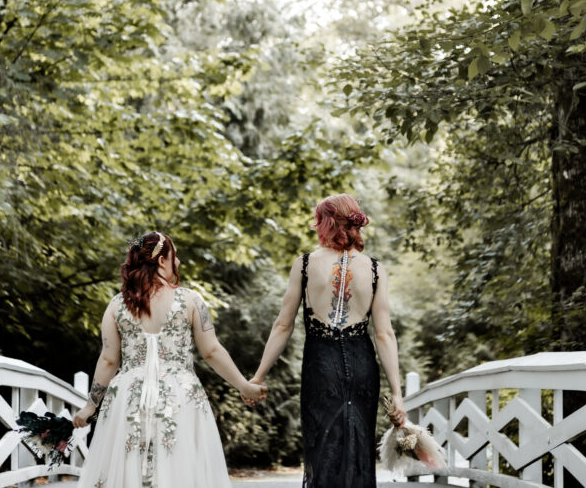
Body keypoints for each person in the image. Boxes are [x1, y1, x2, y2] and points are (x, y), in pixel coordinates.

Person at [73, 231, 266, 487]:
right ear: (162, 260)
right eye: (174, 257)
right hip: (180, 396)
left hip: (129, 397)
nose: (178, 262)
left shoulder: (117, 305)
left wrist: (90, 406)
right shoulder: (191, 300)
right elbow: (211, 351)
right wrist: (244, 386)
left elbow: (109, 360)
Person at [251, 194, 406, 488]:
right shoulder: (375, 269)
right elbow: (384, 333)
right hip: (363, 366)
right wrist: (396, 393)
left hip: (321, 367)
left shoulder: (305, 264)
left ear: (326, 223)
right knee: (358, 447)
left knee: (324, 446)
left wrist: (259, 376)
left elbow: (283, 325)